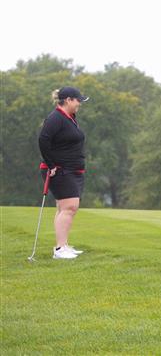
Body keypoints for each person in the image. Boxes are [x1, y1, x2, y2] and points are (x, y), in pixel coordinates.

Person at [38, 86, 90, 259]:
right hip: (60, 170)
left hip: (72, 170)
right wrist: (51, 164)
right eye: (78, 101)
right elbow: (43, 139)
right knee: (70, 207)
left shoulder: (70, 118)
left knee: (64, 208)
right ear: (68, 100)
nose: (79, 104)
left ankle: (63, 245)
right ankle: (60, 249)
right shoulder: (56, 118)